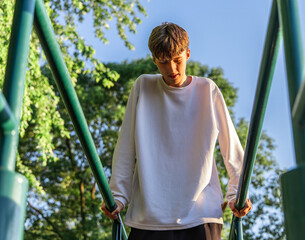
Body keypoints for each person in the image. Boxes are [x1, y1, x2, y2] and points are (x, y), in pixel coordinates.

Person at [101, 22, 251, 240]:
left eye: (177, 60)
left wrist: (238, 194)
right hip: (149, 217)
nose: (171, 69)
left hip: (200, 215)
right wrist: (117, 196)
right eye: (163, 62)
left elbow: (232, 149)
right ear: (154, 60)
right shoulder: (143, 87)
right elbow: (125, 147)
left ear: (187, 54)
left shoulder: (207, 90)